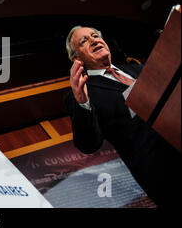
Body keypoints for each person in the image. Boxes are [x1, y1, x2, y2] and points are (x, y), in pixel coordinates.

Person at [64, 26, 181, 208]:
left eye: (95, 36)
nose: (93, 40)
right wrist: (83, 103)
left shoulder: (139, 70)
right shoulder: (84, 92)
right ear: (76, 58)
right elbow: (88, 144)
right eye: (84, 41)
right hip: (164, 173)